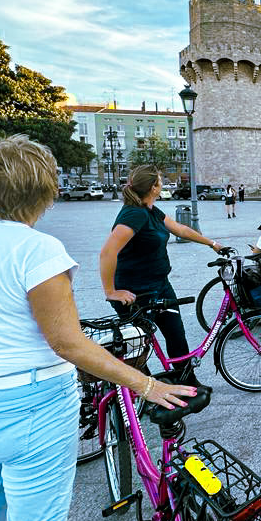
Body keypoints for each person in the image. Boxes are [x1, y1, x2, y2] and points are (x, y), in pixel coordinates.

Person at [0, 136, 194, 521]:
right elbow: (69, 344)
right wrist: (147, 385)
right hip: (29, 407)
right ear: (46, 192)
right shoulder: (37, 249)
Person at [100, 165, 224, 387]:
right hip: (135, 291)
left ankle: (187, 382)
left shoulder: (151, 211)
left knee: (176, 336)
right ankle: (142, 391)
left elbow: (179, 229)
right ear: (153, 187)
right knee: (138, 345)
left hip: (160, 285)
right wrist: (110, 292)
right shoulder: (134, 214)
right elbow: (108, 252)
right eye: (160, 181)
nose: (163, 184)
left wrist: (212, 244)